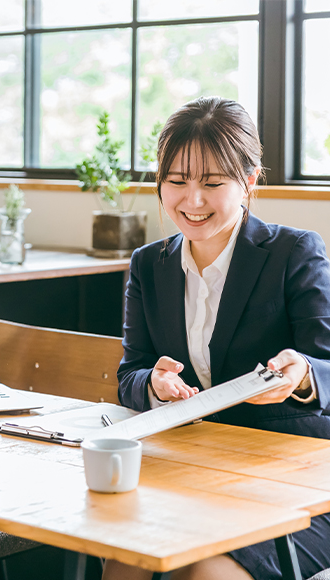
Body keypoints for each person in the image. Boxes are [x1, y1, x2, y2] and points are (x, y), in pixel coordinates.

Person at [103, 96, 330, 580]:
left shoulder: (293, 252)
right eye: (177, 181)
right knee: (125, 561)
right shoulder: (150, 264)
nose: (193, 201)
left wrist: (304, 375)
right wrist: (153, 384)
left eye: (212, 183)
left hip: (291, 479)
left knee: (203, 572)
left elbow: (327, 367)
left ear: (248, 182)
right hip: (191, 468)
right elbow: (131, 372)